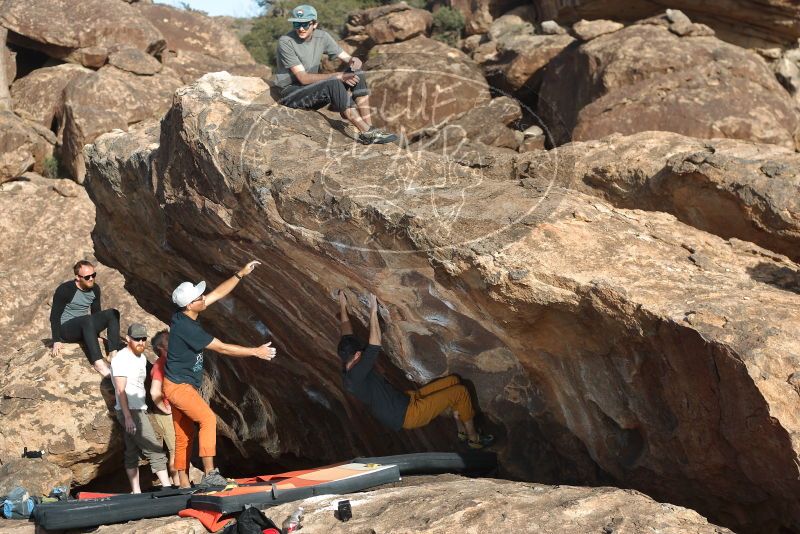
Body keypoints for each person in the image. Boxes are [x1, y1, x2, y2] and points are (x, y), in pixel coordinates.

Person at [164, 260, 277, 488]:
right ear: (190, 305)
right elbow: (223, 347)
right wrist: (255, 351)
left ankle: (184, 485)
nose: (203, 298)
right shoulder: (188, 329)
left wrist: (240, 274)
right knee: (206, 419)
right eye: (199, 298)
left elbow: (215, 294)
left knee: (184, 435)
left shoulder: (182, 315)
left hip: (177, 385)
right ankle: (210, 474)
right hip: (179, 387)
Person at [337, 290, 494, 449]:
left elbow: (345, 331)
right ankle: (474, 439)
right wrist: (373, 310)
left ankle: (462, 429)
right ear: (357, 354)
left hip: (406, 400)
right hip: (407, 415)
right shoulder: (356, 375)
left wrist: (342, 303)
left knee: (454, 381)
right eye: (361, 352)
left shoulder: (348, 360)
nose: (364, 353)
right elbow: (375, 343)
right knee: (460, 392)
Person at [274, 4, 398, 145]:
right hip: (291, 93)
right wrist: (338, 75)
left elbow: (347, 58)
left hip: (311, 90)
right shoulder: (286, 42)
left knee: (357, 73)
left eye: (305, 24)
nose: (300, 28)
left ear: (314, 24)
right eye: (296, 24)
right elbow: (303, 78)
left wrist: (354, 61)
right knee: (333, 81)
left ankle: (370, 129)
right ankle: (365, 131)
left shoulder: (322, 37)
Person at [111, 324, 172, 493]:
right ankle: (167, 488)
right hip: (131, 411)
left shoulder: (141, 358)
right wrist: (128, 417)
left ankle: (136, 492)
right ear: (128, 339)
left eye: (143, 339)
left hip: (139, 408)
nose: (141, 342)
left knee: (131, 451)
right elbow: (120, 390)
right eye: (137, 339)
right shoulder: (121, 359)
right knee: (154, 448)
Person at [50, 260, 121, 377]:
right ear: (78, 277)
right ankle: (98, 363)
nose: (91, 279)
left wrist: (95, 335)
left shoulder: (95, 289)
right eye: (87, 277)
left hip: (85, 325)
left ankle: (113, 354)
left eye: (94, 275)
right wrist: (56, 339)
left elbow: (96, 312)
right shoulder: (65, 290)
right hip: (66, 329)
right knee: (86, 319)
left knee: (113, 313)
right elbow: (54, 316)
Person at [148, 329, 180, 487]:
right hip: (166, 414)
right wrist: (166, 409)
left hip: (177, 411)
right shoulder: (160, 364)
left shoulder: (172, 362)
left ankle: (181, 483)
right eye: (169, 341)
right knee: (175, 450)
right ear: (161, 348)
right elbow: (154, 392)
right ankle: (178, 484)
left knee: (180, 448)